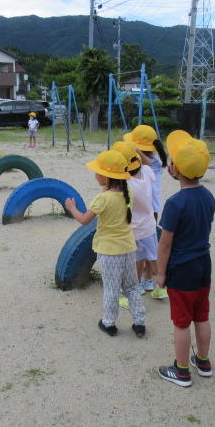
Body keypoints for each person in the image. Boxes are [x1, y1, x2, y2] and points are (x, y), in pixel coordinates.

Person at [64, 150, 146, 338]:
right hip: (128, 248)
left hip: (109, 252)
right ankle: (139, 322)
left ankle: (109, 323)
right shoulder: (128, 192)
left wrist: (72, 208)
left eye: (98, 171)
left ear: (107, 177)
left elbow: (84, 220)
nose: (95, 174)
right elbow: (112, 196)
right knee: (131, 287)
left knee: (111, 289)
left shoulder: (102, 199)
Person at [157, 130, 215, 388]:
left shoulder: (175, 203)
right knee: (201, 316)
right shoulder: (208, 196)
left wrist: (160, 273)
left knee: (181, 322)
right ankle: (203, 361)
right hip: (203, 265)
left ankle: (181, 371)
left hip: (182, 269)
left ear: (176, 170)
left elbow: (165, 243)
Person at [111, 141, 166, 304]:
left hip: (132, 230)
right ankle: (161, 288)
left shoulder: (125, 183)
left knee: (133, 261)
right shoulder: (147, 172)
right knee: (153, 257)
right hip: (149, 227)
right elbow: (149, 164)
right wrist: (137, 151)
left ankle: (131, 294)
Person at [124, 124, 168, 299]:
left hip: (145, 212)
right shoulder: (151, 163)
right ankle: (148, 280)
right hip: (150, 211)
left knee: (141, 250)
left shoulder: (147, 166)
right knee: (149, 249)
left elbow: (144, 165)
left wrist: (135, 152)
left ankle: (143, 282)